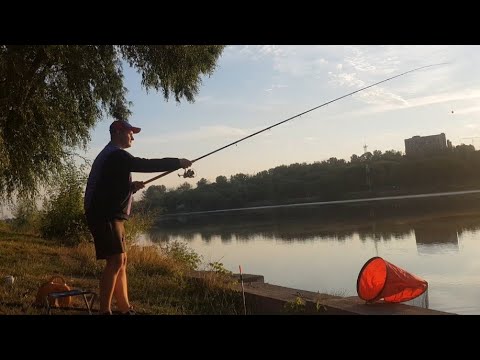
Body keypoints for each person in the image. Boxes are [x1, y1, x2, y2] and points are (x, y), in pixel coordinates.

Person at [84, 120, 192, 315]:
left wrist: (130, 188)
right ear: (118, 132)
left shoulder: (113, 157)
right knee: (115, 262)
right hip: (104, 215)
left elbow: (108, 187)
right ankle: (105, 311)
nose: (133, 137)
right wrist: (177, 162)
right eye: (130, 133)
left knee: (121, 261)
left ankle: (125, 308)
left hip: (110, 214)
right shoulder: (115, 155)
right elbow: (144, 164)